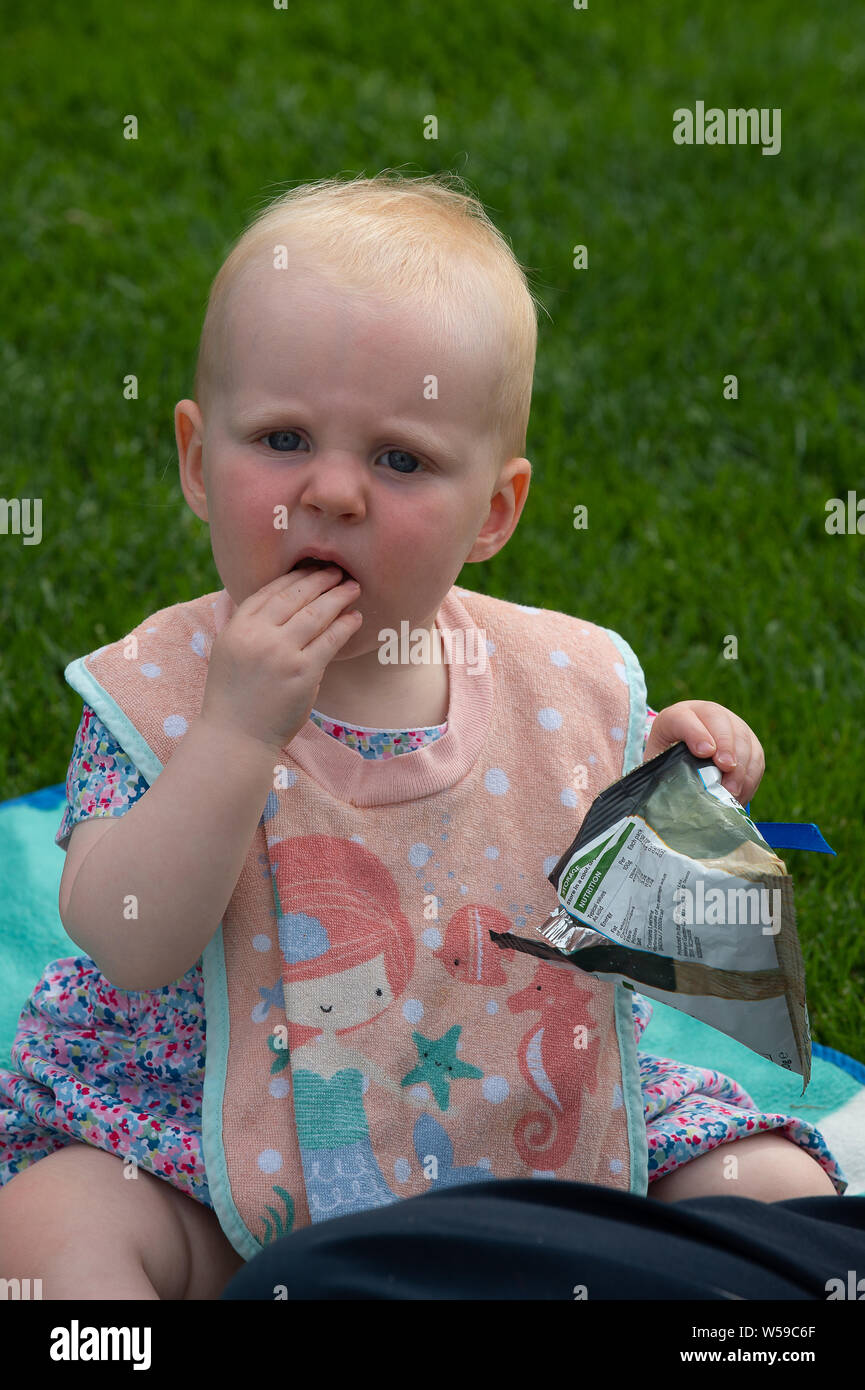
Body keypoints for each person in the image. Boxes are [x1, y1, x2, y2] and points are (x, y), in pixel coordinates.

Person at [0, 171, 847, 1303]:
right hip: (206, 1151)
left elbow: (644, 913)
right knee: (54, 1225)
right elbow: (129, 940)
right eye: (284, 438)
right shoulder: (161, 695)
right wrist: (237, 731)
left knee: (772, 1179)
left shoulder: (565, 683)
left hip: (527, 1132)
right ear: (199, 463)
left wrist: (683, 776)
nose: (335, 490)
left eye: (399, 460)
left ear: (492, 511)